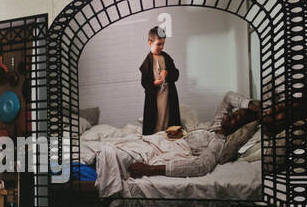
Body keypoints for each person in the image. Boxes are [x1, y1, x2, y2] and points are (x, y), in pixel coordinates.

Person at [94, 103, 261, 198]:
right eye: (235, 112)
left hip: (167, 148)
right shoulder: (216, 125)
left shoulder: (218, 141)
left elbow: (201, 167)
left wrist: (151, 170)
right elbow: (228, 98)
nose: (232, 115)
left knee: (112, 152)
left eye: (238, 118)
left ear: (238, 128)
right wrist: (249, 105)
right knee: (109, 140)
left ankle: (98, 189)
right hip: (166, 138)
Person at [139, 26, 181, 135]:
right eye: (159, 44)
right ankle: (156, 135)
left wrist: (167, 74)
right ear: (150, 43)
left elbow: (176, 74)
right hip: (155, 96)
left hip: (168, 94)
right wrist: (154, 83)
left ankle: (169, 134)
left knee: (168, 116)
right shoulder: (147, 61)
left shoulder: (166, 57)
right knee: (156, 118)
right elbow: (144, 82)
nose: (161, 47)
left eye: (163, 44)